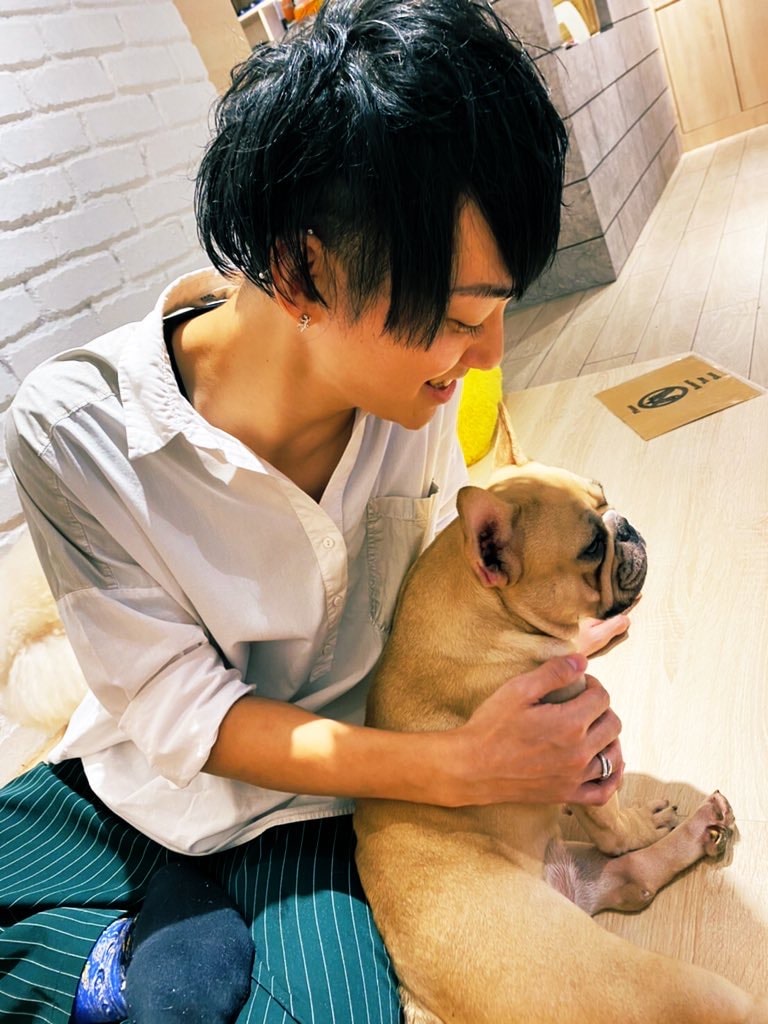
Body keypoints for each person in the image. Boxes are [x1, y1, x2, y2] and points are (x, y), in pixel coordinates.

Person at [0, 0, 630, 1020]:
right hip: (135, 783)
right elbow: (178, 713)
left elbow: (439, 582)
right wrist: (458, 767)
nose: (488, 354)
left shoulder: (415, 395)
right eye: (462, 317)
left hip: (329, 798)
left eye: (499, 309)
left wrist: (542, 672)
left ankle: (135, 967)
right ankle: (122, 950)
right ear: (302, 271)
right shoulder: (74, 428)